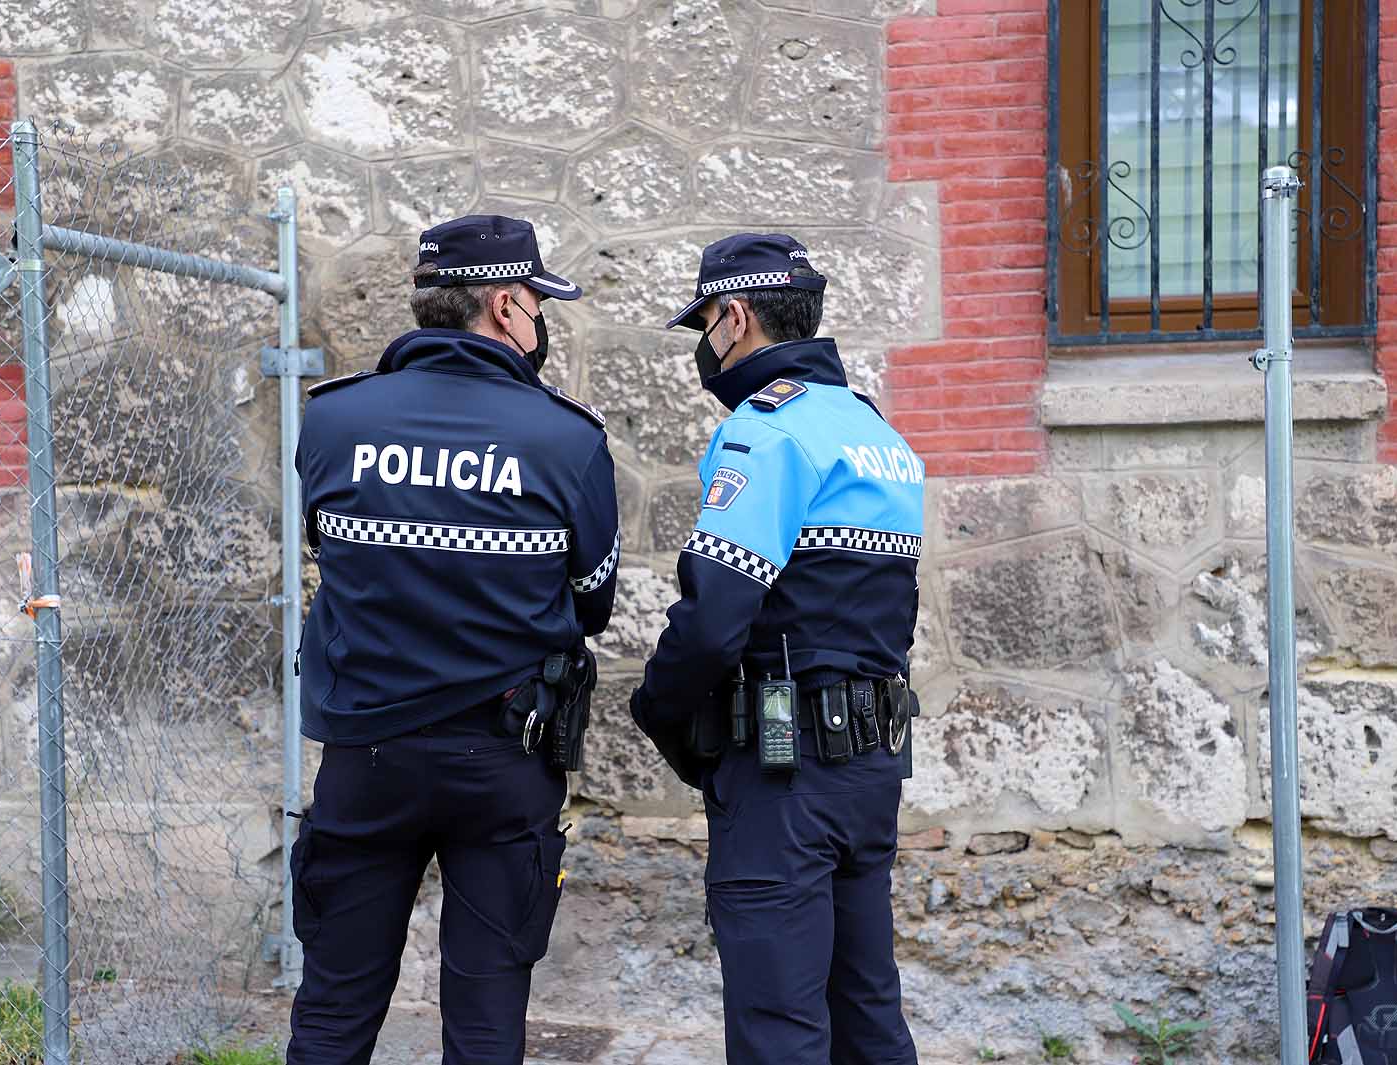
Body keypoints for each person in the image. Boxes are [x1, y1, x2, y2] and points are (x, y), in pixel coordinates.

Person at [287, 214, 619, 1065]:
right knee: (485, 1019)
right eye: (539, 303)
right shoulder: (566, 439)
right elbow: (592, 603)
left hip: (366, 758)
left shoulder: (332, 420)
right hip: (503, 762)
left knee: (331, 1010)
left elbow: (332, 554)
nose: (541, 320)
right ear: (506, 305)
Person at [631, 233, 924, 1065]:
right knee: (867, 1017)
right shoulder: (877, 435)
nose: (704, 346)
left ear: (735, 316)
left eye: (704, 325)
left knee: (779, 1031)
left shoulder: (769, 432)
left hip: (782, 773)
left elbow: (715, 617)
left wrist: (658, 712)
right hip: (868, 769)